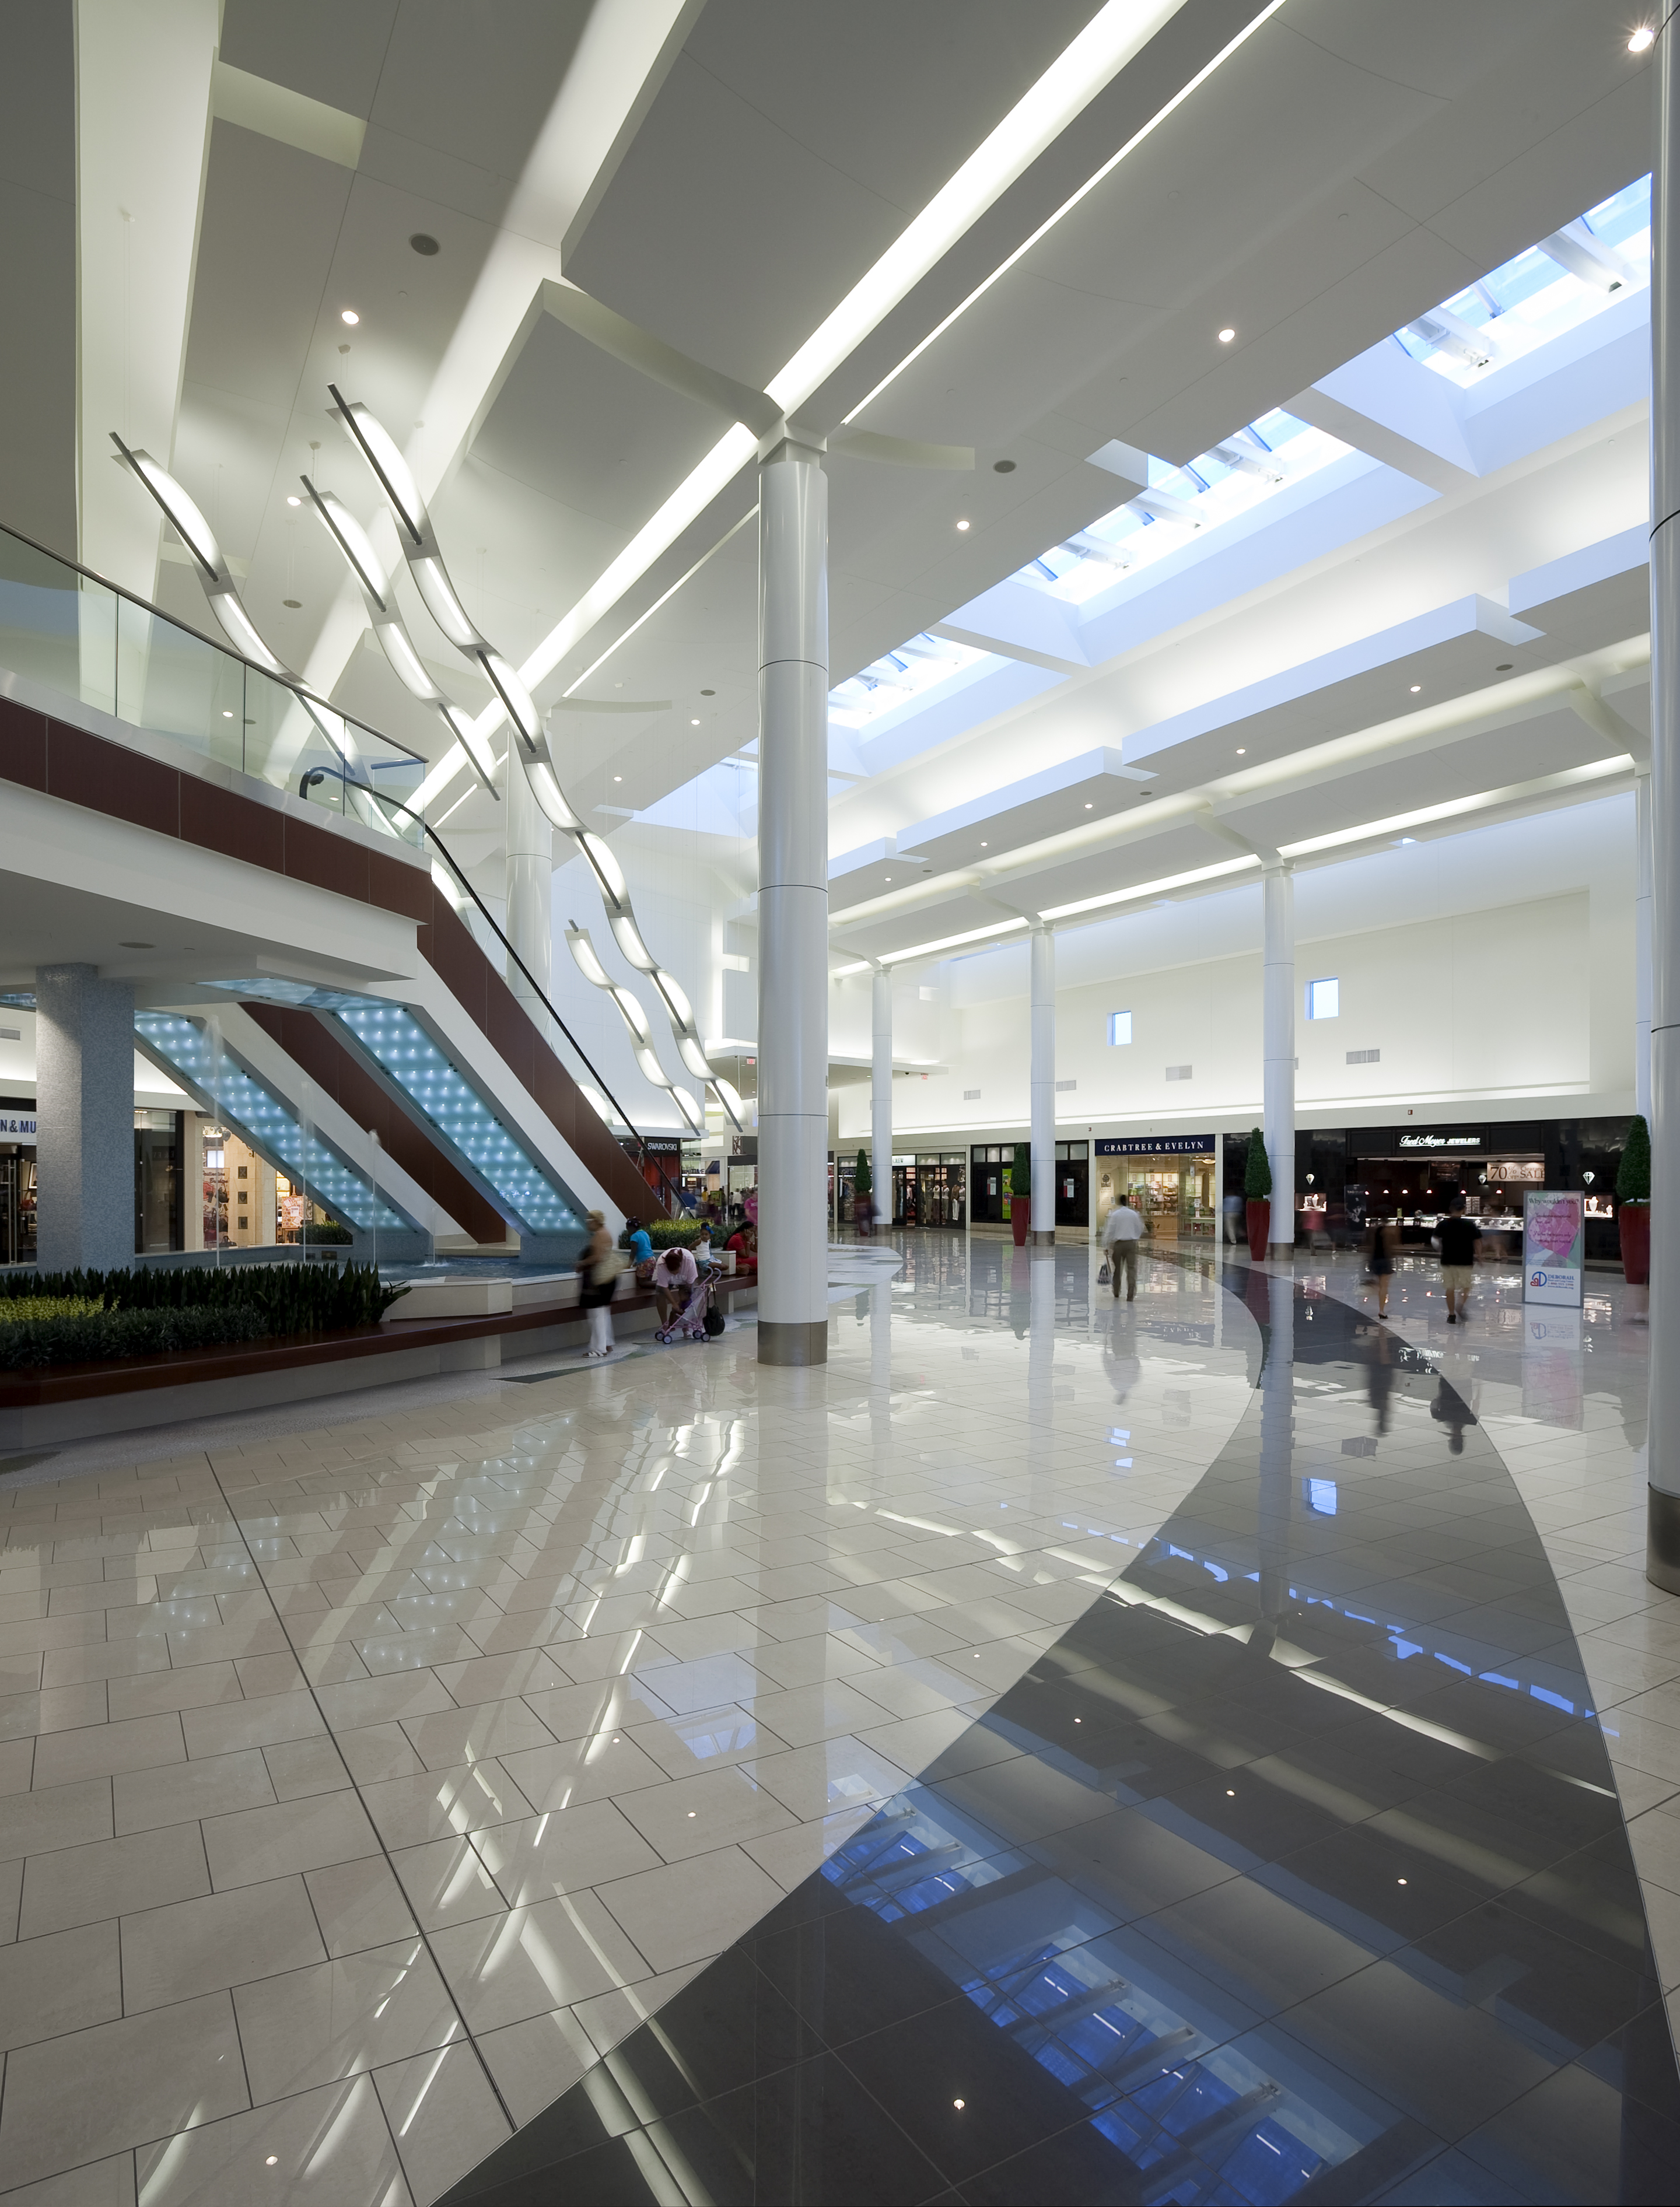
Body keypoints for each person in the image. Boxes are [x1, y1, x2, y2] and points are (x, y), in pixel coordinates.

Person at [578, 1210, 621, 1358]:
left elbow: (597, 1258)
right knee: (603, 1312)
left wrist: (582, 1263)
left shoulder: (598, 1236)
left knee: (596, 1315)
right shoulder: (606, 1233)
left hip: (601, 1280)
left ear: (595, 1221)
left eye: (589, 1221)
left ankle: (599, 1349)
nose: (587, 1223)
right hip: (609, 1278)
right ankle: (607, 1343)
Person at [1437, 1192, 1480, 1325]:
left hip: (1447, 1261)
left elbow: (1435, 1240)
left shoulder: (1443, 1224)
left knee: (1450, 1288)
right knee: (1466, 1287)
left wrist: (1439, 1249)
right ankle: (1460, 1304)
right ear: (1464, 1209)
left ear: (1450, 1209)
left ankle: (1451, 1315)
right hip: (1465, 1261)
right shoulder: (1469, 1225)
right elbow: (1477, 1241)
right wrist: (1480, 1255)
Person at [1101, 1190, 1146, 1302]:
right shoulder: (1134, 1214)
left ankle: (1116, 1290)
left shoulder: (1115, 1215)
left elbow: (1110, 1231)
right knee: (1131, 1268)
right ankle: (1131, 1290)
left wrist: (1106, 1245)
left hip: (1118, 1244)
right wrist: (1135, 1238)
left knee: (1117, 1269)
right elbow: (1140, 1228)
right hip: (1131, 1244)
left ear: (1118, 1202)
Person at [653, 1242, 700, 1340]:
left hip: (686, 1280)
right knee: (659, 1295)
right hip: (668, 1281)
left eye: (676, 1271)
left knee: (687, 1299)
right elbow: (664, 1287)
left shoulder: (689, 1261)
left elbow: (689, 1286)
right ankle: (665, 1325)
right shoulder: (661, 1264)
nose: (675, 1274)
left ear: (680, 1265)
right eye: (672, 1272)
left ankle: (686, 1327)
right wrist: (674, 1304)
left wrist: (681, 1302)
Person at [1367, 1211, 1396, 1318]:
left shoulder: (1373, 1230)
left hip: (1375, 1259)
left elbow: (1370, 1246)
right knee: (1384, 1286)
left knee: (1379, 1284)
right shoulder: (1388, 1231)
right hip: (1384, 1260)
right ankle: (1382, 1310)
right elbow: (1389, 1247)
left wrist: (1369, 1261)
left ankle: (1376, 1296)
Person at [626, 1215, 654, 1288]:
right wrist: (637, 1262)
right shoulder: (645, 1233)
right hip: (652, 1259)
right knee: (649, 1282)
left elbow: (633, 1252)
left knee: (642, 1283)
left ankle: (663, 1285)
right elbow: (644, 1248)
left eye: (628, 1229)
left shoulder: (634, 1236)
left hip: (645, 1261)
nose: (628, 1232)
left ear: (632, 1228)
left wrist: (628, 1265)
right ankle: (663, 1285)